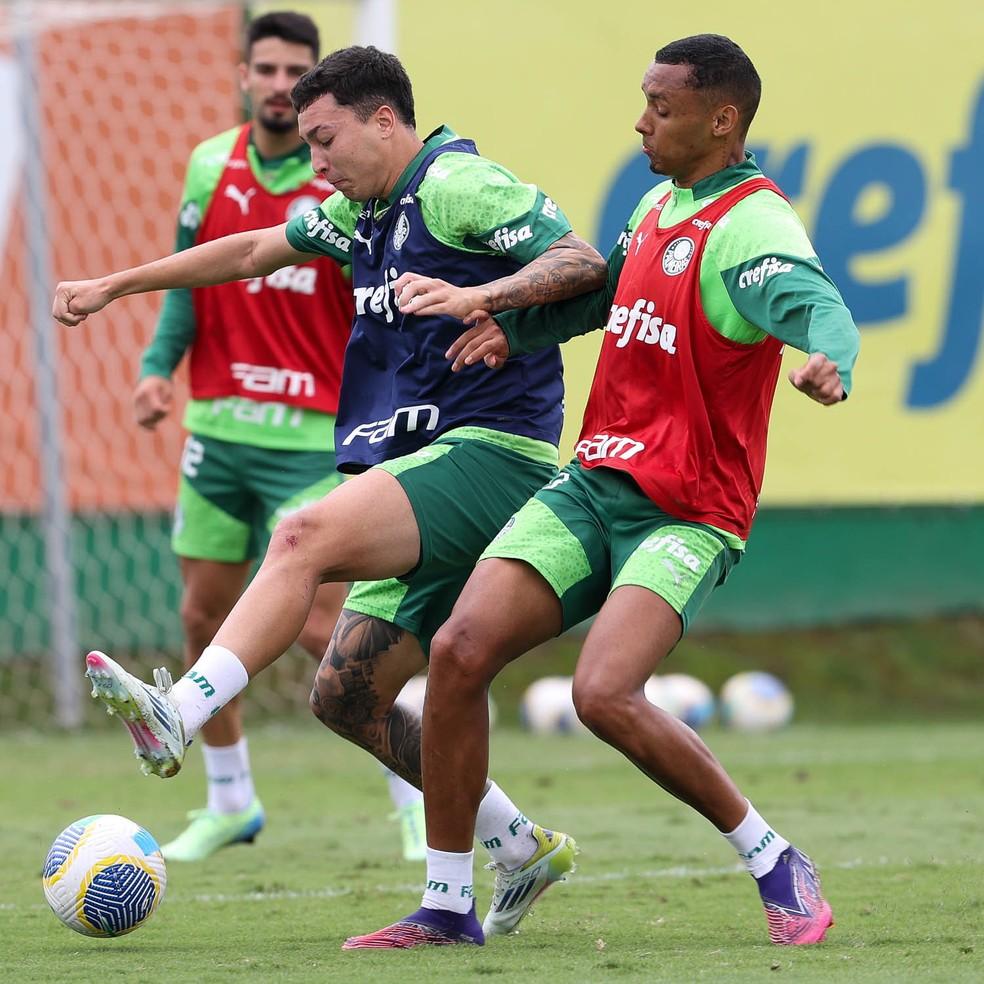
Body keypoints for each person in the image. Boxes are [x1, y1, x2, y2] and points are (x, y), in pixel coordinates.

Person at [53, 46, 607, 942]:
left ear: (384, 120)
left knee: (301, 533)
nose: (314, 164)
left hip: (498, 452)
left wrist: (487, 303)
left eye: (325, 140)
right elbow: (248, 249)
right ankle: (509, 854)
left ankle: (179, 713)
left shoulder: (458, 183)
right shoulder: (361, 212)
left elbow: (582, 261)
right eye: (307, 145)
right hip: (427, 461)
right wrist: (118, 285)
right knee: (345, 695)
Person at [349, 34, 859, 949]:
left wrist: (831, 359)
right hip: (592, 485)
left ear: (721, 119)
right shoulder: (660, 203)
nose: (641, 121)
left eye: (661, 108)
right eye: (644, 101)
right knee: (459, 652)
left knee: (604, 694)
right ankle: (447, 903)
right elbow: (605, 296)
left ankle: (772, 855)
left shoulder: (753, 224)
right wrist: (514, 326)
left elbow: (817, 302)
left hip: (688, 509)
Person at [131, 12, 427, 865]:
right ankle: (229, 801)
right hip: (217, 428)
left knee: (325, 627)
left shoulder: (351, 178)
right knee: (201, 614)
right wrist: (159, 367)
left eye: (293, 70)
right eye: (264, 68)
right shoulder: (209, 164)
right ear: (244, 73)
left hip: (312, 432)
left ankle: (416, 793)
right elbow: (193, 281)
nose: (275, 83)